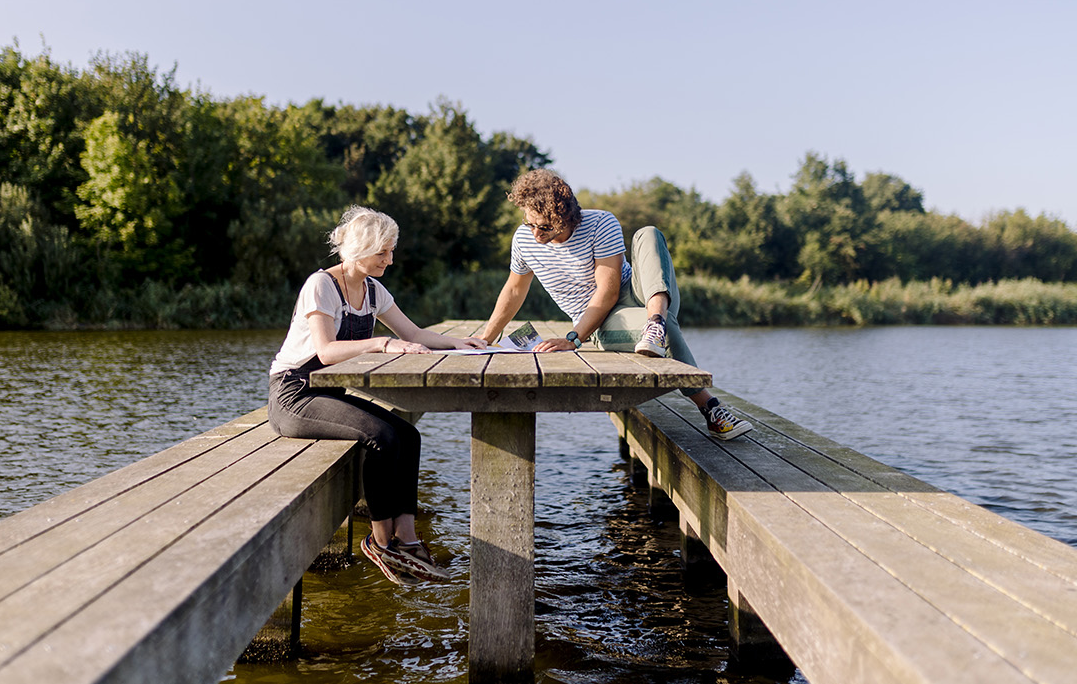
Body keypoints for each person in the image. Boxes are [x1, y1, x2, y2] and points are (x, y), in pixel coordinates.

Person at [268, 205, 488, 585]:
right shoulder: (321, 285)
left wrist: (457, 344)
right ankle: (379, 539)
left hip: (327, 393)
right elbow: (325, 352)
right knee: (382, 438)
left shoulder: (372, 289)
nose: (390, 259)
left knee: (408, 435)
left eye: (392, 250)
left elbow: (414, 333)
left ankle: (408, 537)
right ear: (358, 249)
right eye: (382, 252)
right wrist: (384, 344)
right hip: (295, 395)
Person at [478, 169, 753, 440]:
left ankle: (653, 324)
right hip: (601, 321)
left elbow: (608, 291)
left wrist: (572, 339)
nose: (537, 233)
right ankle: (711, 409)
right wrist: (485, 338)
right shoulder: (524, 240)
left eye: (546, 226)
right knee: (668, 327)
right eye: (531, 223)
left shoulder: (600, 223)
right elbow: (514, 289)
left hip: (640, 292)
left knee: (648, 233)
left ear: (567, 216)